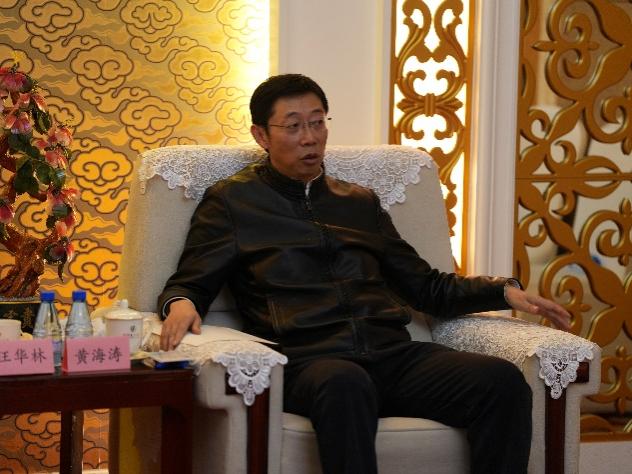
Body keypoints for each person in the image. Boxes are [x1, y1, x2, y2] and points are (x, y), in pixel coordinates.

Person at [157, 74, 571, 474]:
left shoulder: (359, 202)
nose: (310, 137)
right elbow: (190, 282)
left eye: (317, 122)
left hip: (391, 355)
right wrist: (182, 303)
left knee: (500, 380)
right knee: (345, 382)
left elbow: (425, 286)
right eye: (294, 126)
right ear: (261, 135)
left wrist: (502, 292)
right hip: (309, 361)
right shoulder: (232, 203)